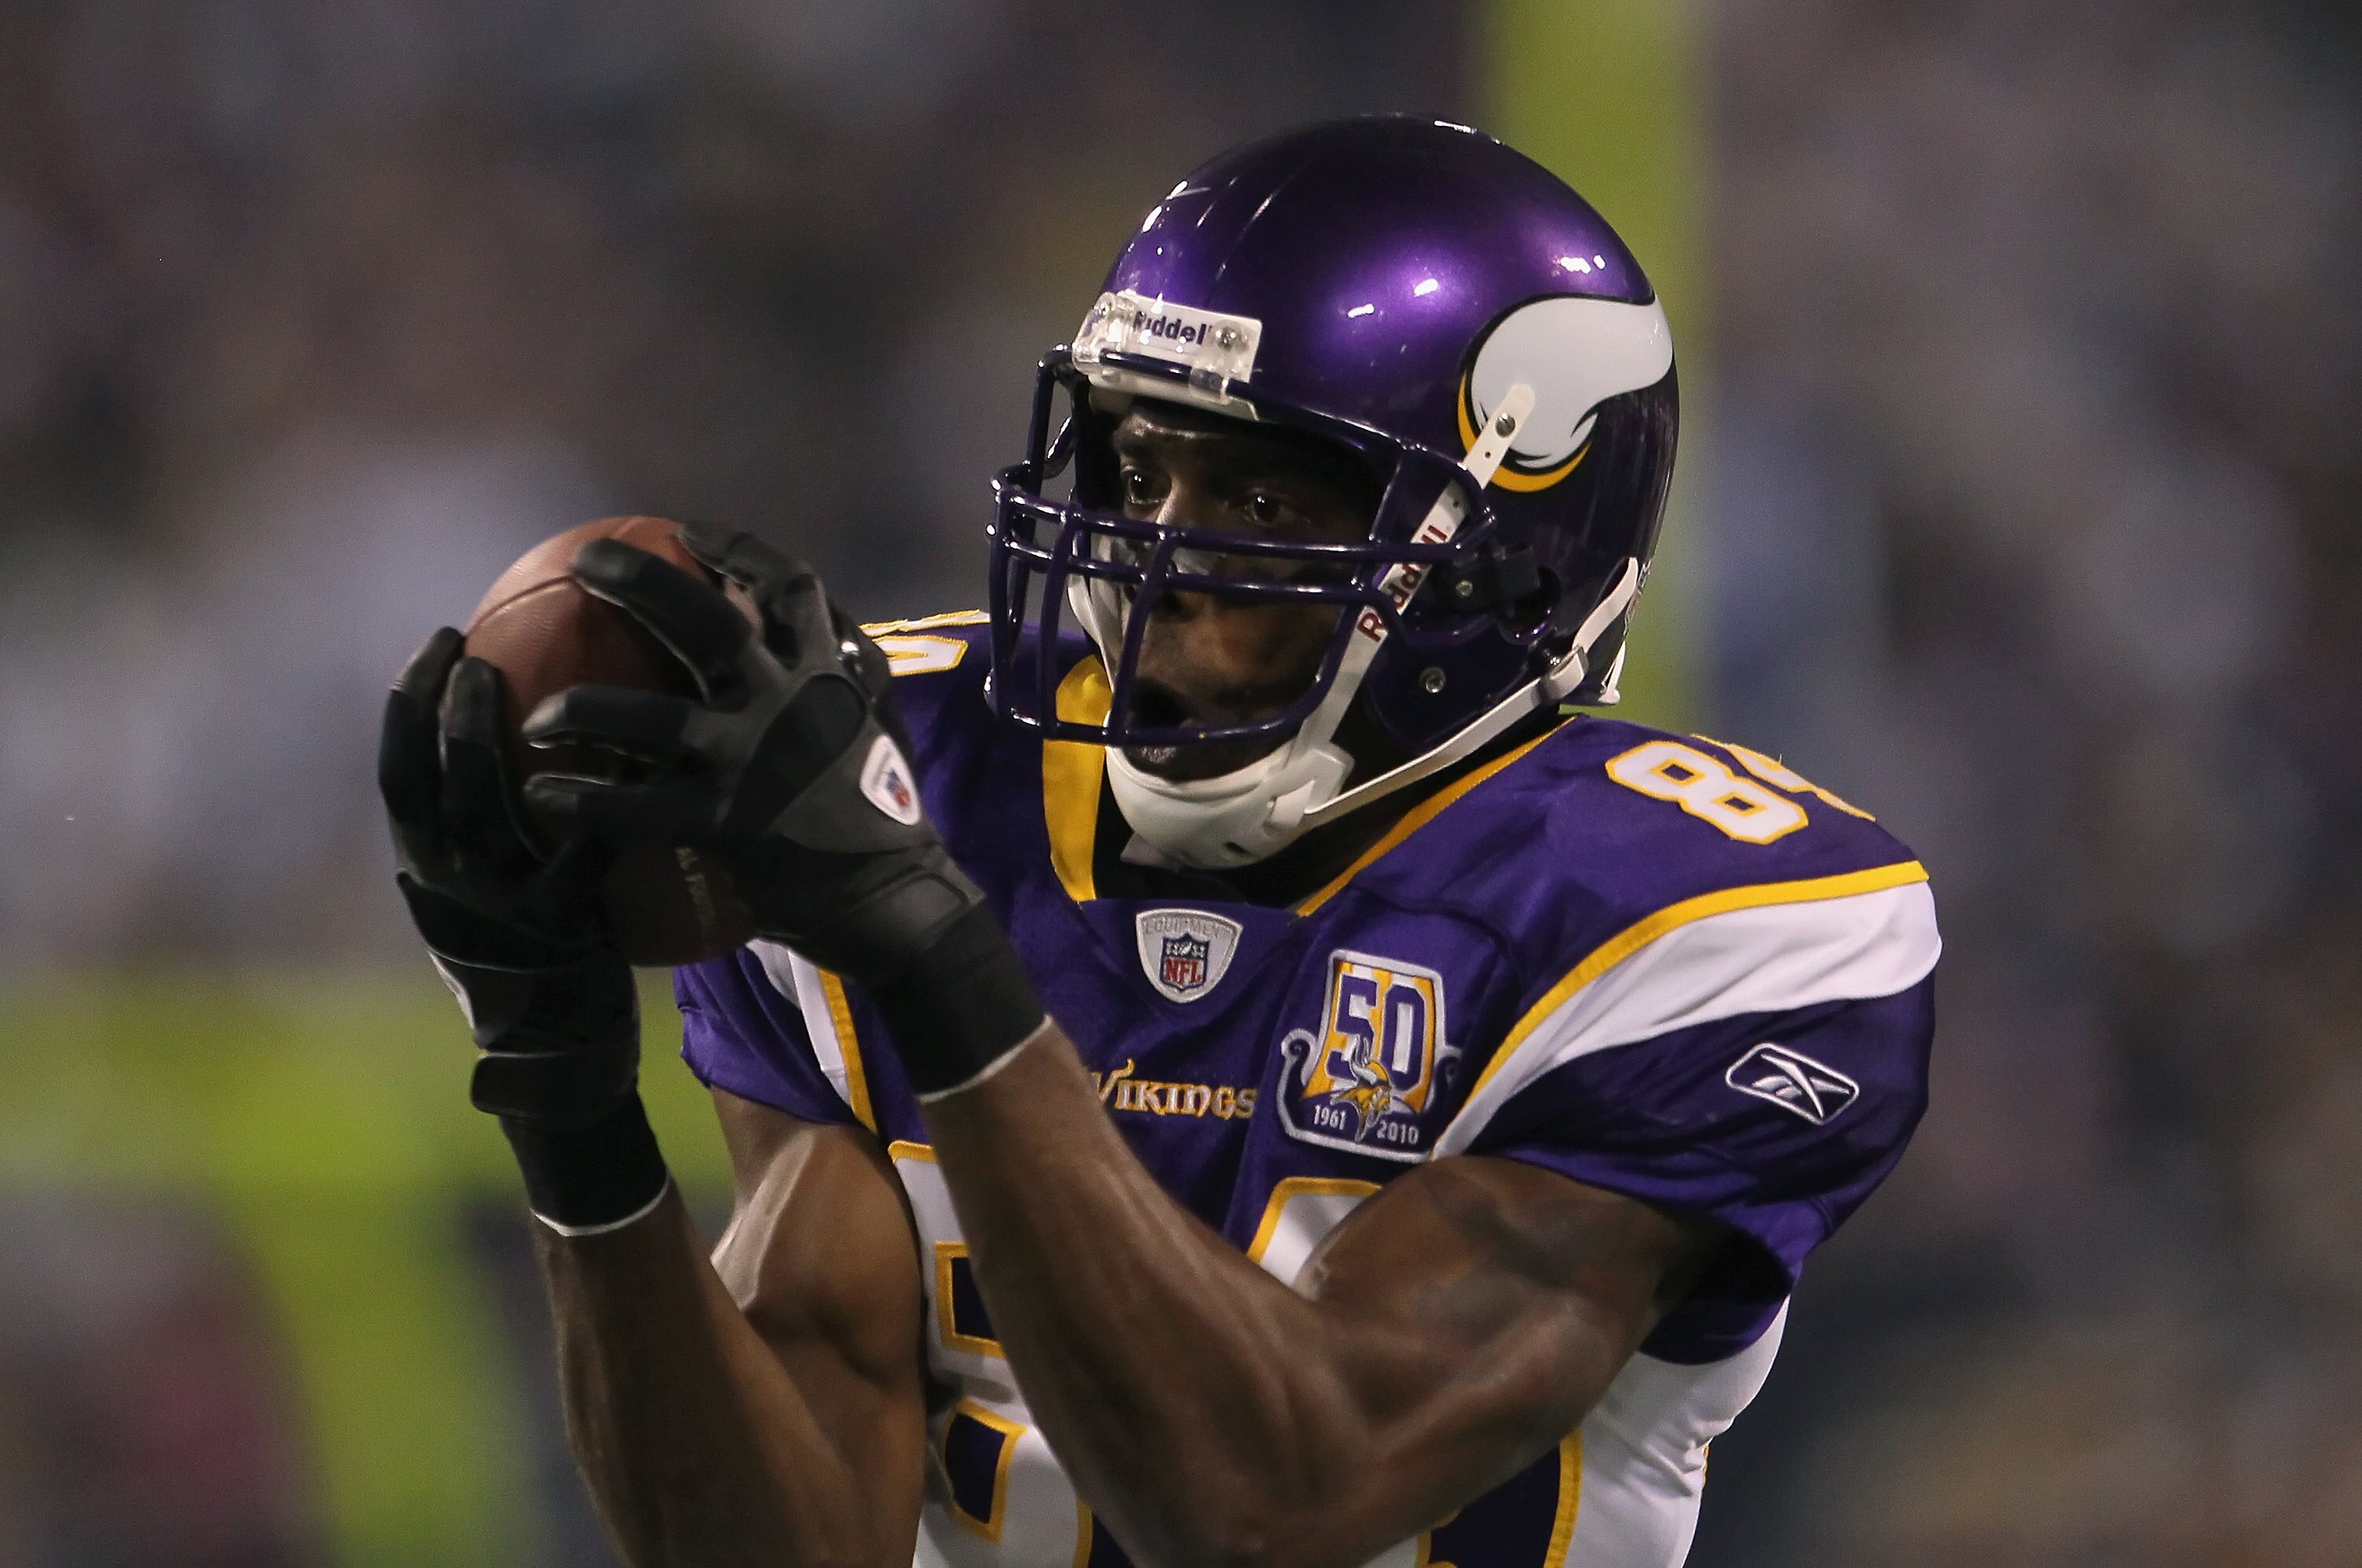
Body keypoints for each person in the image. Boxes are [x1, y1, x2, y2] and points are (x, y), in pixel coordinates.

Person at [379, 118, 1938, 1568]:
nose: (1160, 553)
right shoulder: (906, 765)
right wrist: (563, 1090)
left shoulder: (1699, 920)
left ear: (1507, 559)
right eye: (1140, 470)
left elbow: (1270, 1504)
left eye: (1260, 492)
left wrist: (930, 945)